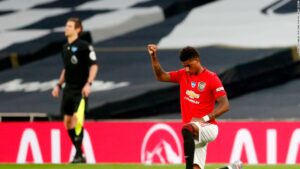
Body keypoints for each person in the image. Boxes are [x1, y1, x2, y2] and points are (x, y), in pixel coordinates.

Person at [147, 44, 242, 169]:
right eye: (184, 66)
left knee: (186, 128)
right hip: (193, 135)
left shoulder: (212, 78)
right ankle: (232, 168)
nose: (186, 69)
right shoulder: (183, 75)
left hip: (208, 127)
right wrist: (154, 56)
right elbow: (161, 76)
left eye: (188, 65)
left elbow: (225, 105)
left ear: (197, 60)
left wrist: (204, 119)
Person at [52, 17, 98, 163]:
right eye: (66, 26)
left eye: (70, 26)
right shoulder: (64, 48)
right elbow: (66, 69)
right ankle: (79, 153)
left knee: (78, 119)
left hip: (80, 89)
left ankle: (78, 155)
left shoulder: (85, 46)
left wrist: (89, 84)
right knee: (67, 122)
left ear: (78, 29)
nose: (67, 28)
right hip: (68, 90)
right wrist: (59, 85)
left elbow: (94, 65)